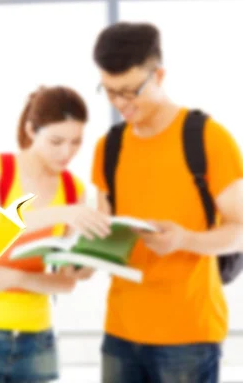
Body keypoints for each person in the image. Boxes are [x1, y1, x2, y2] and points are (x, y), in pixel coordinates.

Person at [91, 21, 243, 383]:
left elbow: (239, 231)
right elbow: (107, 229)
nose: (119, 104)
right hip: (120, 332)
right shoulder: (108, 147)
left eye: (130, 92)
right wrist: (81, 253)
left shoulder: (207, 138)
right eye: (110, 92)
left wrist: (184, 239)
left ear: (159, 74)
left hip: (188, 335)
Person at [0, 85, 112, 383]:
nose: (67, 152)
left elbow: (64, 282)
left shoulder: (74, 190)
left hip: (38, 339)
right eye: (56, 141)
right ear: (31, 130)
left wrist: (85, 264)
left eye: (76, 142)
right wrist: (63, 214)